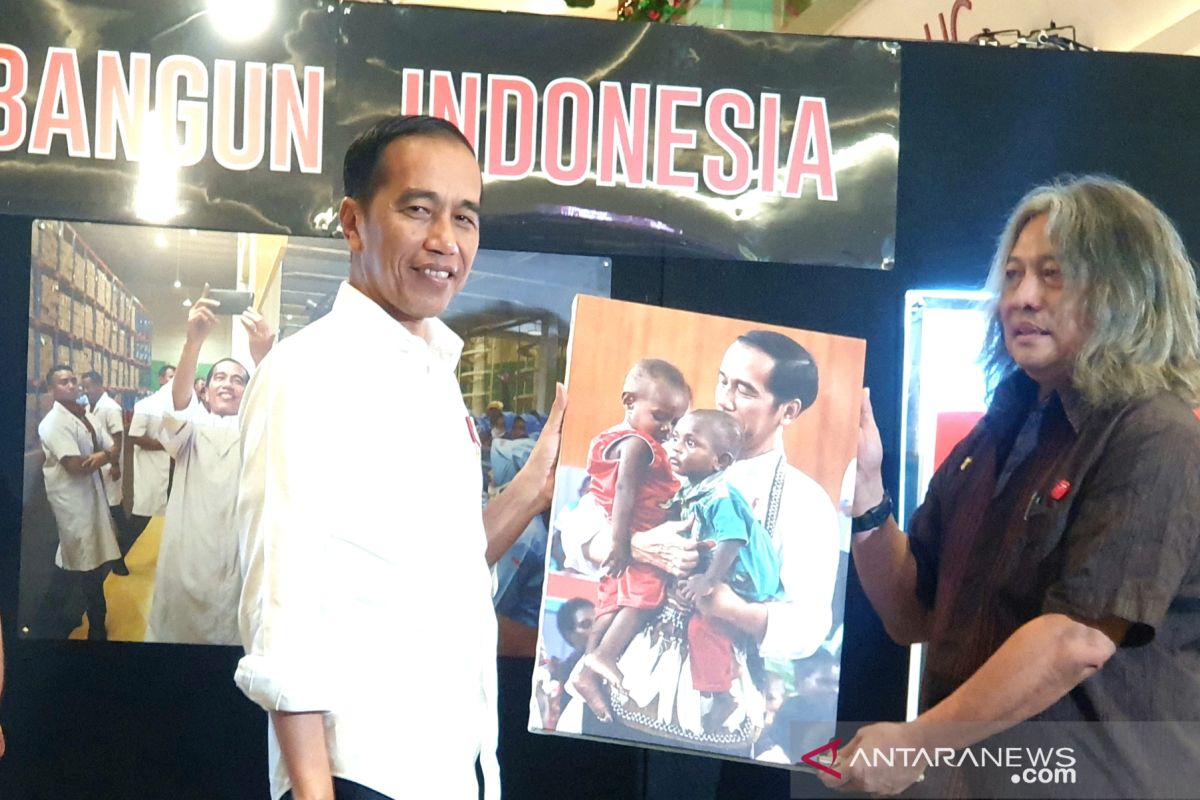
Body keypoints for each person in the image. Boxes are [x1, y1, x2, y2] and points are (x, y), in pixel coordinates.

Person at [828, 176, 1200, 797]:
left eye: (1052, 275)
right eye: (1012, 275)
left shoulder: (1154, 434)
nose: (1021, 298)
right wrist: (867, 495)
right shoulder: (996, 434)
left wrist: (917, 742)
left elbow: (1077, 640)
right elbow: (911, 613)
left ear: (1125, 294)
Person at [234, 114, 564, 800]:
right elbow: (279, 607)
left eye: (465, 218)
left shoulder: (436, 374)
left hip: (451, 764)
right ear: (354, 223)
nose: (445, 241)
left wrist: (534, 488)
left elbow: (444, 565)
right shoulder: (308, 373)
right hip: (363, 773)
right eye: (418, 210)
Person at [558, 331, 842, 763]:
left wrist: (734, 609)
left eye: (744, 390)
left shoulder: (807, 503)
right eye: (722, 381)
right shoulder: (664, 445)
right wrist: (636, 545)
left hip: (714, 727)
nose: (725, 399)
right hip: (611, 699)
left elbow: (810, 625)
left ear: (788, 411)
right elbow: (575, 532)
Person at [568, 359, 691, 722]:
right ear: (629, 402)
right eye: (661, 417)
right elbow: (622, 491)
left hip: (628, 536)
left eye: (675, 421)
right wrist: (624, 544)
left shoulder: (614, 439)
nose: (667, 428)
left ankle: (588, 671)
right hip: (636, 534)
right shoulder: (638, 444)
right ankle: (601, 659)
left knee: (612, 603)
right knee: (644, 597)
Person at [145, 293, 271, 645]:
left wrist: (264, 357)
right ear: (206, 389)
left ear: (249, 391)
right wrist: (193, 342)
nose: (228, 384)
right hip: (187, 562)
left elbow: (281, 411)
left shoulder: (257, 430)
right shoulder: (190, 428)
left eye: (238, 379)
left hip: (238, 563)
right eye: (219, 378)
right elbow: (177, 404)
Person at [668, 409, 782, 734]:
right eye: (675, 438)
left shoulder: (718, 495)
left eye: (690, 443)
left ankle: (722, 696)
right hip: (725, 570)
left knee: (703, 627)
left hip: (744, 580)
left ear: (720, 461)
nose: (676, 447)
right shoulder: (696, 489)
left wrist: (709, 580)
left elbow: (732, 539)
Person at [35, 365, 121, 640]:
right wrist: (104, 456)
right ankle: (97, 626)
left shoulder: (86, 417)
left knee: (74, 557)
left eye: (73, 380)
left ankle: (49, 617)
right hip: (71, 501)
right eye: (63, 382)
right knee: (87, 564)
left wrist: (103, 456)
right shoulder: (52, 423)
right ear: (51, 390)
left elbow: (112, 446)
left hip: (91, 497)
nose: (72, 385)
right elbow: (75, 465)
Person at [80, 371, 130, 575]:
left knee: (113, 509)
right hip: (98, 464)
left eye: (88, 387)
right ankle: (110, 555)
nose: (85, 391)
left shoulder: (111, 407)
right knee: (105, 508)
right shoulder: (87, 407)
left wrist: (116, 465)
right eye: (82, 387)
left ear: (99, 385)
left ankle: (121, 557)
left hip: (110, 465)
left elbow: (117, 437)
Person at [125, 364, 176, 541]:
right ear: (161, 379)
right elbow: (135, 437)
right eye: (170, 377)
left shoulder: (176, 408)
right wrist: (163, 445)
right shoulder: (145, 405)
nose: (174, 381)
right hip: (150, 468)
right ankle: (121, 555)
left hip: (170, 470)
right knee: (143, 514)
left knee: (166, 516)